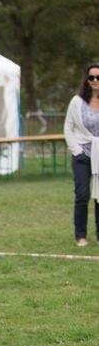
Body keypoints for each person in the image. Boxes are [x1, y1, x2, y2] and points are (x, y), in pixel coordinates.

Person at [63, 64, 99, 247]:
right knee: (82, 195)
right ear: (86, 80)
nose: (95, 81)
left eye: (98, 77)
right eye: (91, 77)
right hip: (82, 155)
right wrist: (76, 149)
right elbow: (68, 127)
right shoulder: (76, 102)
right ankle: (80, 235)